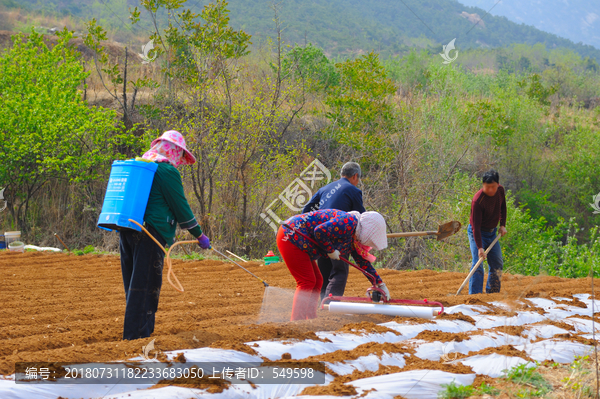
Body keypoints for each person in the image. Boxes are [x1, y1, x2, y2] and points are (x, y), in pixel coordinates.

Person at [119, 130, 211, 340]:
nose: (179, 160)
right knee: (146, 287)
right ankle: (137, 338)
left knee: (133, 286)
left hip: (127, 229)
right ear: (175, 151)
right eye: (179, 154)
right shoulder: (166, 171)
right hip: (151, 233)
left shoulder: (142, 165)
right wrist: (199, 235)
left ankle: (134, 334)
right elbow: (181, 207)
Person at [276, 209, 390, 320]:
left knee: (318, 280)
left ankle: (310, 318)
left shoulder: (354, 236)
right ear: (368, 231)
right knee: (307, 281)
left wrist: (380, 283)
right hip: (291, 235)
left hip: (301, 241)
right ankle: (297, 321)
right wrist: (330, 250)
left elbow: (363, 263)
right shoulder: (350, 222)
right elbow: (319, 231)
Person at [302, 162, 366, 300]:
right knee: (339, 271)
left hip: (318, 236)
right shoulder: (354, 191)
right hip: (338, 238)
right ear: (355, 176)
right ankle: (330, 304)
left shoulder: (325, 188)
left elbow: (306, 210)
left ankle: (322, 304)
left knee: (324, 271)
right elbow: (361, 218)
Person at [468, 169, 508, 295]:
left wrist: (502, 225)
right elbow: (476, 227)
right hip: (477, 233)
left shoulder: (500, 191)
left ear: (498, 185)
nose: (490, 190)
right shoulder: (478, 201)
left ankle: (493, 293)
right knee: (478, 264)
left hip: (492, 232)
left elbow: (503, 207)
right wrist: (480, 247)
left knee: (497, 262)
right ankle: (475, 296)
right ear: (483, 185)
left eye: (493, 187)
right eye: (487, 187)